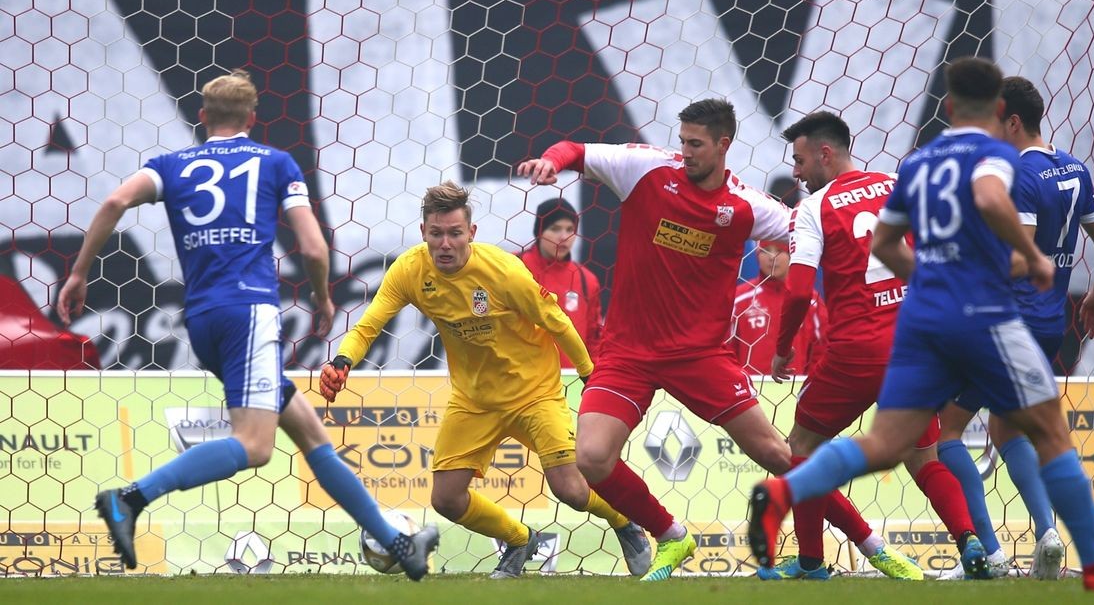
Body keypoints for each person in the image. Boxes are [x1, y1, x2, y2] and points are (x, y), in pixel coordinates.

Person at [747, 57, 1094, 591]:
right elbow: (988, 199)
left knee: (887, 444)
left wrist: (928, 279)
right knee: (1049, 434)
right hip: (982, 320)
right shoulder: (990, 156)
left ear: (947, 107)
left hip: (922, 326)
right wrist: (1028, 256)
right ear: (1000, 111)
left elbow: (885, 245)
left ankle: (781, 494)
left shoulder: (917, 166)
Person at [57, 69, 439, 580]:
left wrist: (79, 272)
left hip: (202, 319)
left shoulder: (171, 165)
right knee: (255, 447)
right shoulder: (274, 163)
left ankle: (397, 543)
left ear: (203, 117)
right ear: (253, 118)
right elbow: (312, 247)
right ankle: (131, 498)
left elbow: (113, 202)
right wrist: (324, 299)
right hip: (251, 313)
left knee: (311, 436)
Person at [517, 98, 825, 582]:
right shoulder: (646, 169)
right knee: (592, 457)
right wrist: (550, 162)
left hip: (698, 356)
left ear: (724, 144)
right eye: (682, 141)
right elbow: (575, 149)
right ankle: (671, 536)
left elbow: (809, 232)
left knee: (776, 453)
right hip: (629, 354)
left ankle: (865, 543)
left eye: (696, 144)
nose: (685, 152)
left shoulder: (747, 205)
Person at [318, 181, 650, 579]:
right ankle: (519, 539)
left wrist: (589, 376)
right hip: (473, 401)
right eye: (436, 234)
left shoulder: (504, 271)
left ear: (471, 234)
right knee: (446, 499)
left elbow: (556, 321)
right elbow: (370, 324)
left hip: (534, 394)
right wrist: (341, 360)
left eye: (455, 233)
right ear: (423, 232)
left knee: (573, 490)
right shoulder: (409, 269)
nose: (445, 244)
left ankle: (623, 521)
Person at [761, 111, 980, 581]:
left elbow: (798, 291)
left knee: (802, 445)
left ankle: (812, 563)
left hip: (856, 351)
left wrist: (782, 349)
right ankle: (971, 543)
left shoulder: (815, 209)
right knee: (925, 456)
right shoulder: (895, 183)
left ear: (825, 152)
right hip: (915, 346)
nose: (795, 172)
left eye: (799, 160)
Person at [935, 76, 1094, 580]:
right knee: (1006, 428)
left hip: (1002, 322)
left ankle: (990, 553)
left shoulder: (1017, 174)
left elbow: (1021, 257)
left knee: (943, 431)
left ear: (1011, 121)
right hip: (1047, 324)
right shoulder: (1072, 168)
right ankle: (1047, 535)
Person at [518, 198, 603, 368]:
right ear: (539, 231)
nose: (564, 237)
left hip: (571, 382)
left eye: (570, 229)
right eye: (555, 229)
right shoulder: (514, 267)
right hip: (522, 380)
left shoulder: (587, 280)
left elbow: (594, 340)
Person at [728, 239, 827, 377]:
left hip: (795, 387)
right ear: (756, 254)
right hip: (749, 389)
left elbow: (822, 350)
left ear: (791, 255)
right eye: (766, 250)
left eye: (779, 251)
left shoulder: (809, 301)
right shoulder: (740, 299)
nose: (772, 257)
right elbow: (727, 348)